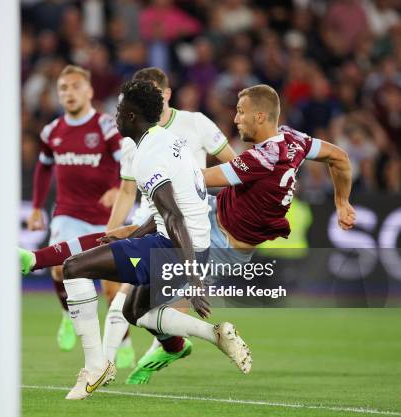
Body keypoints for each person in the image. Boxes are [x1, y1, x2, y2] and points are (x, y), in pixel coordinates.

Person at [20, 84, 355, 386]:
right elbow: (338, 157)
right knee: (127, 255)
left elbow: (198, 179)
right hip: (211, 213)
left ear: (261, 115)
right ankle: (42, 262)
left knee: (142, 299)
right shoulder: (294, 140)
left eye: (240, 112)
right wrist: (342, 202)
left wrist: (159, 164)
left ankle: (141, 353)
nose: (235, 119)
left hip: (219, 246)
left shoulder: (257, 160)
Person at [57, 79, 251, 400]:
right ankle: (215, 335)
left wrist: (194, 279)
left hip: (172, 249)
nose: (115, 115)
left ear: (132, 117)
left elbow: (173, 216)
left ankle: (96, 366)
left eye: (120, 109)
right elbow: (169, 211)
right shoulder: (170, 141)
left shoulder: (147, 155)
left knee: (73, 267)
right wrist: (131, 235)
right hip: (190, 247)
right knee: (135, 312)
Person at [102, 67, 236, 379]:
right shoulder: (130, 140)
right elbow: (126, 190)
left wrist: (226, 208)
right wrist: (112, 230)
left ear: (167, 94)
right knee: (129, 304)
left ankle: (105, 367)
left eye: (154, 93)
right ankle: (170, 346)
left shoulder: (195, 123)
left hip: (186, 230)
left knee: (137, 306)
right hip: (148, 224)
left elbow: (235, 166)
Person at [26, 65, 123, 353]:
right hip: (68, 212)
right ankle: (68, 316)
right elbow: (43, 169)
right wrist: (35, 208)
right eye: (64, 88)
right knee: (59, 270)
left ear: (90, 91)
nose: (69, 92)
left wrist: (118, 187)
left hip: (106, 218)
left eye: (76, 86)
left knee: (111, 287)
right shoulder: (52, 131)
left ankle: (123, 340)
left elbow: (125, 161)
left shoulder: (105, 126)